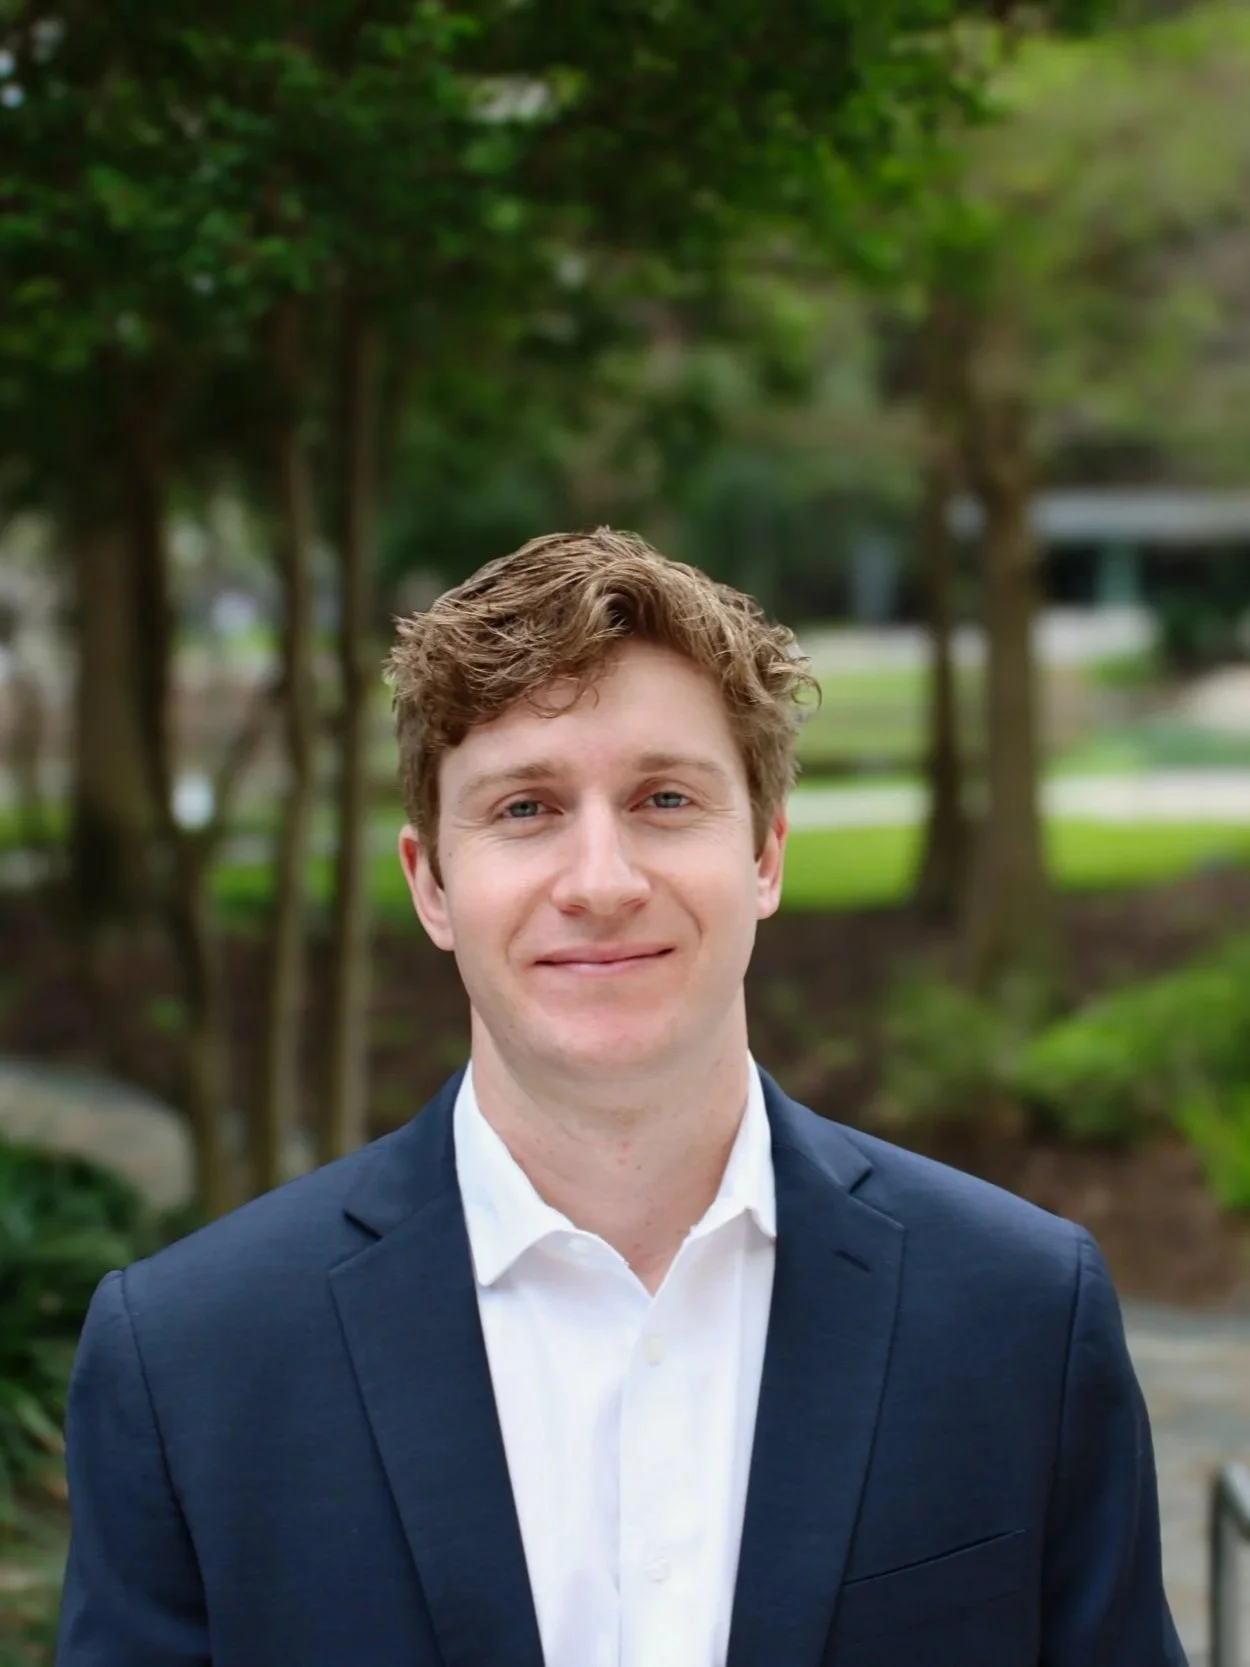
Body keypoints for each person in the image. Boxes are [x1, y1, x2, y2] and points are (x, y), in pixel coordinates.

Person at [58, 528, 1186, 1667]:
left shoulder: (1018, 1315)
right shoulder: (192, 1362)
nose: (601, 881)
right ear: (430, 884)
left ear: (765, 856)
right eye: (523, 809)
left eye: (661, 796)